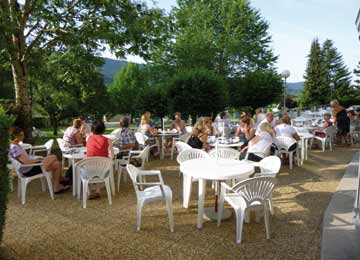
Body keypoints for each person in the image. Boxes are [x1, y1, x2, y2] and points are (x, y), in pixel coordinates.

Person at [9, 128, 69, 194]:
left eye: (23, 135)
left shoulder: (16, 145)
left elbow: (26, 159)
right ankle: (60, 180)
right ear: (15, 136)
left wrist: (37, 160)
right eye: (21, 135)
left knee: (58, 164)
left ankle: (56, 188)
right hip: (29, 170)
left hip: (30, 167)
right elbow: (26, 162)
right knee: (53, 157)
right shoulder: (14, 147)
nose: (23, 137)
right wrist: (39, 161)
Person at [86, 120, 114, 199]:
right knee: (100, 165)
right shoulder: (108, 140)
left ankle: (89, 191)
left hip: (89, 168)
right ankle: (98, 190)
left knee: (83, 168)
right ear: (103, 129)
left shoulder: (88, 138)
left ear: (92, 129)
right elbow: (112, 155)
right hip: (102, 169)